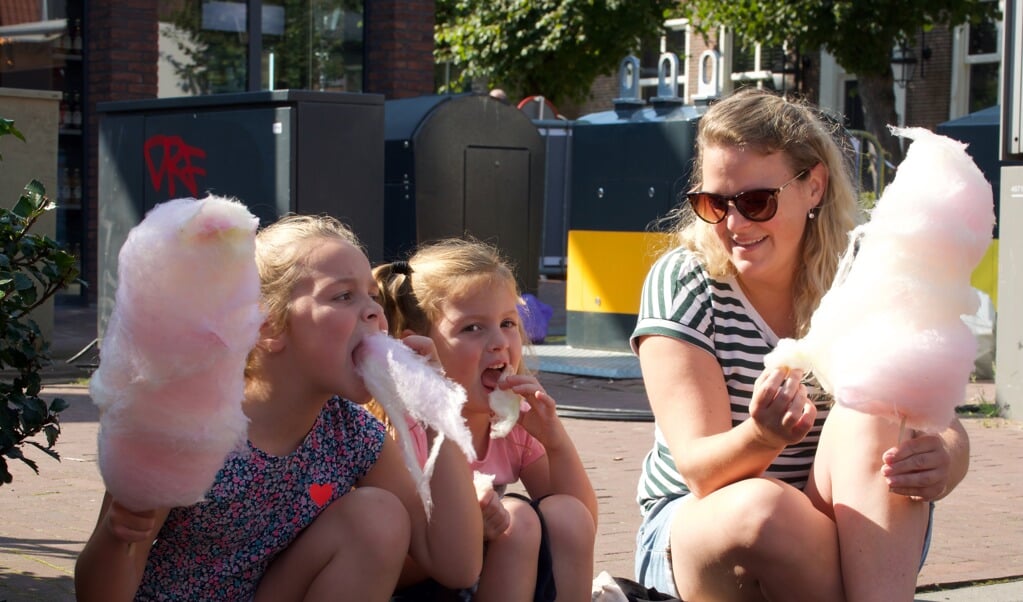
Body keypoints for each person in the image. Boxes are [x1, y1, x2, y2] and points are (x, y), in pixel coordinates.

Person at [631, 88, 971, 601]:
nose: (734, 224)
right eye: (713, 203)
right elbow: (699, 473)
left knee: (875, 413)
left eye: (755, 201)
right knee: (765, 510)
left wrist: (944, 461)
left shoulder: (862, 277)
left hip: (838, 527)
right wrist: (763, 437)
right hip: (703, 528)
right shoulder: (683, 282)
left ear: (813, 186)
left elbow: (943, 425)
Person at [75, 214, 482, 601]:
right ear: (268, 327)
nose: (375, 312)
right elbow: (99, 593)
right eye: (343, 296)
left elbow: (457, 566)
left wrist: (436, 407)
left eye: (373, 298)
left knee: (378, 515)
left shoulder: (353, 436)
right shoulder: (188, 424)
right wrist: (118, 534)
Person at [373, 238, 598, 602]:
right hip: (425, 589)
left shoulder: (510, 427)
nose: (499, 342)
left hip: (495, 578)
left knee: (562, 512)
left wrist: (556, 442)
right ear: (415, 350)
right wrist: (468, 532)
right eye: (472, 328)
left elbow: (580, 527)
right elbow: (389, 568)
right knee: (518, 519)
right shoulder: (407, 433)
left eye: (507, 322)